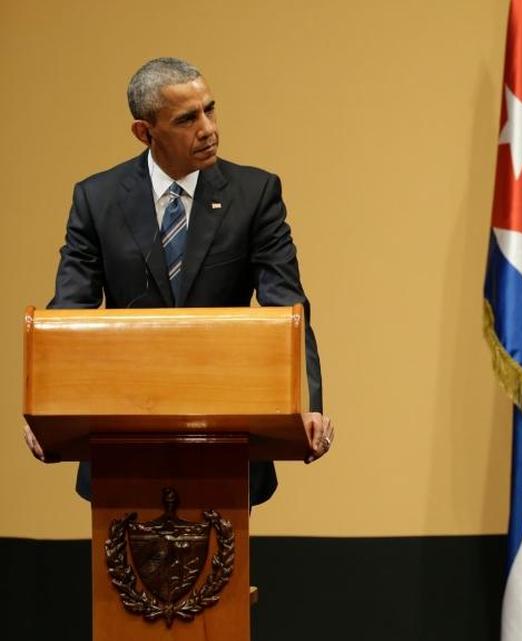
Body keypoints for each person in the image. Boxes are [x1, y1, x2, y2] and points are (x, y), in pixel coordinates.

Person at [22, 57, 333, 505]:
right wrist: (46, 409)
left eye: (210, 109)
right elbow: (70, 308)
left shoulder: (255, 194)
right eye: (187, 118)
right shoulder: (97, 199)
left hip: (226, 431)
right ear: (144, 132)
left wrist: (309, 402)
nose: (207, 128)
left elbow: (288, 307)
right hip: (123, 434)